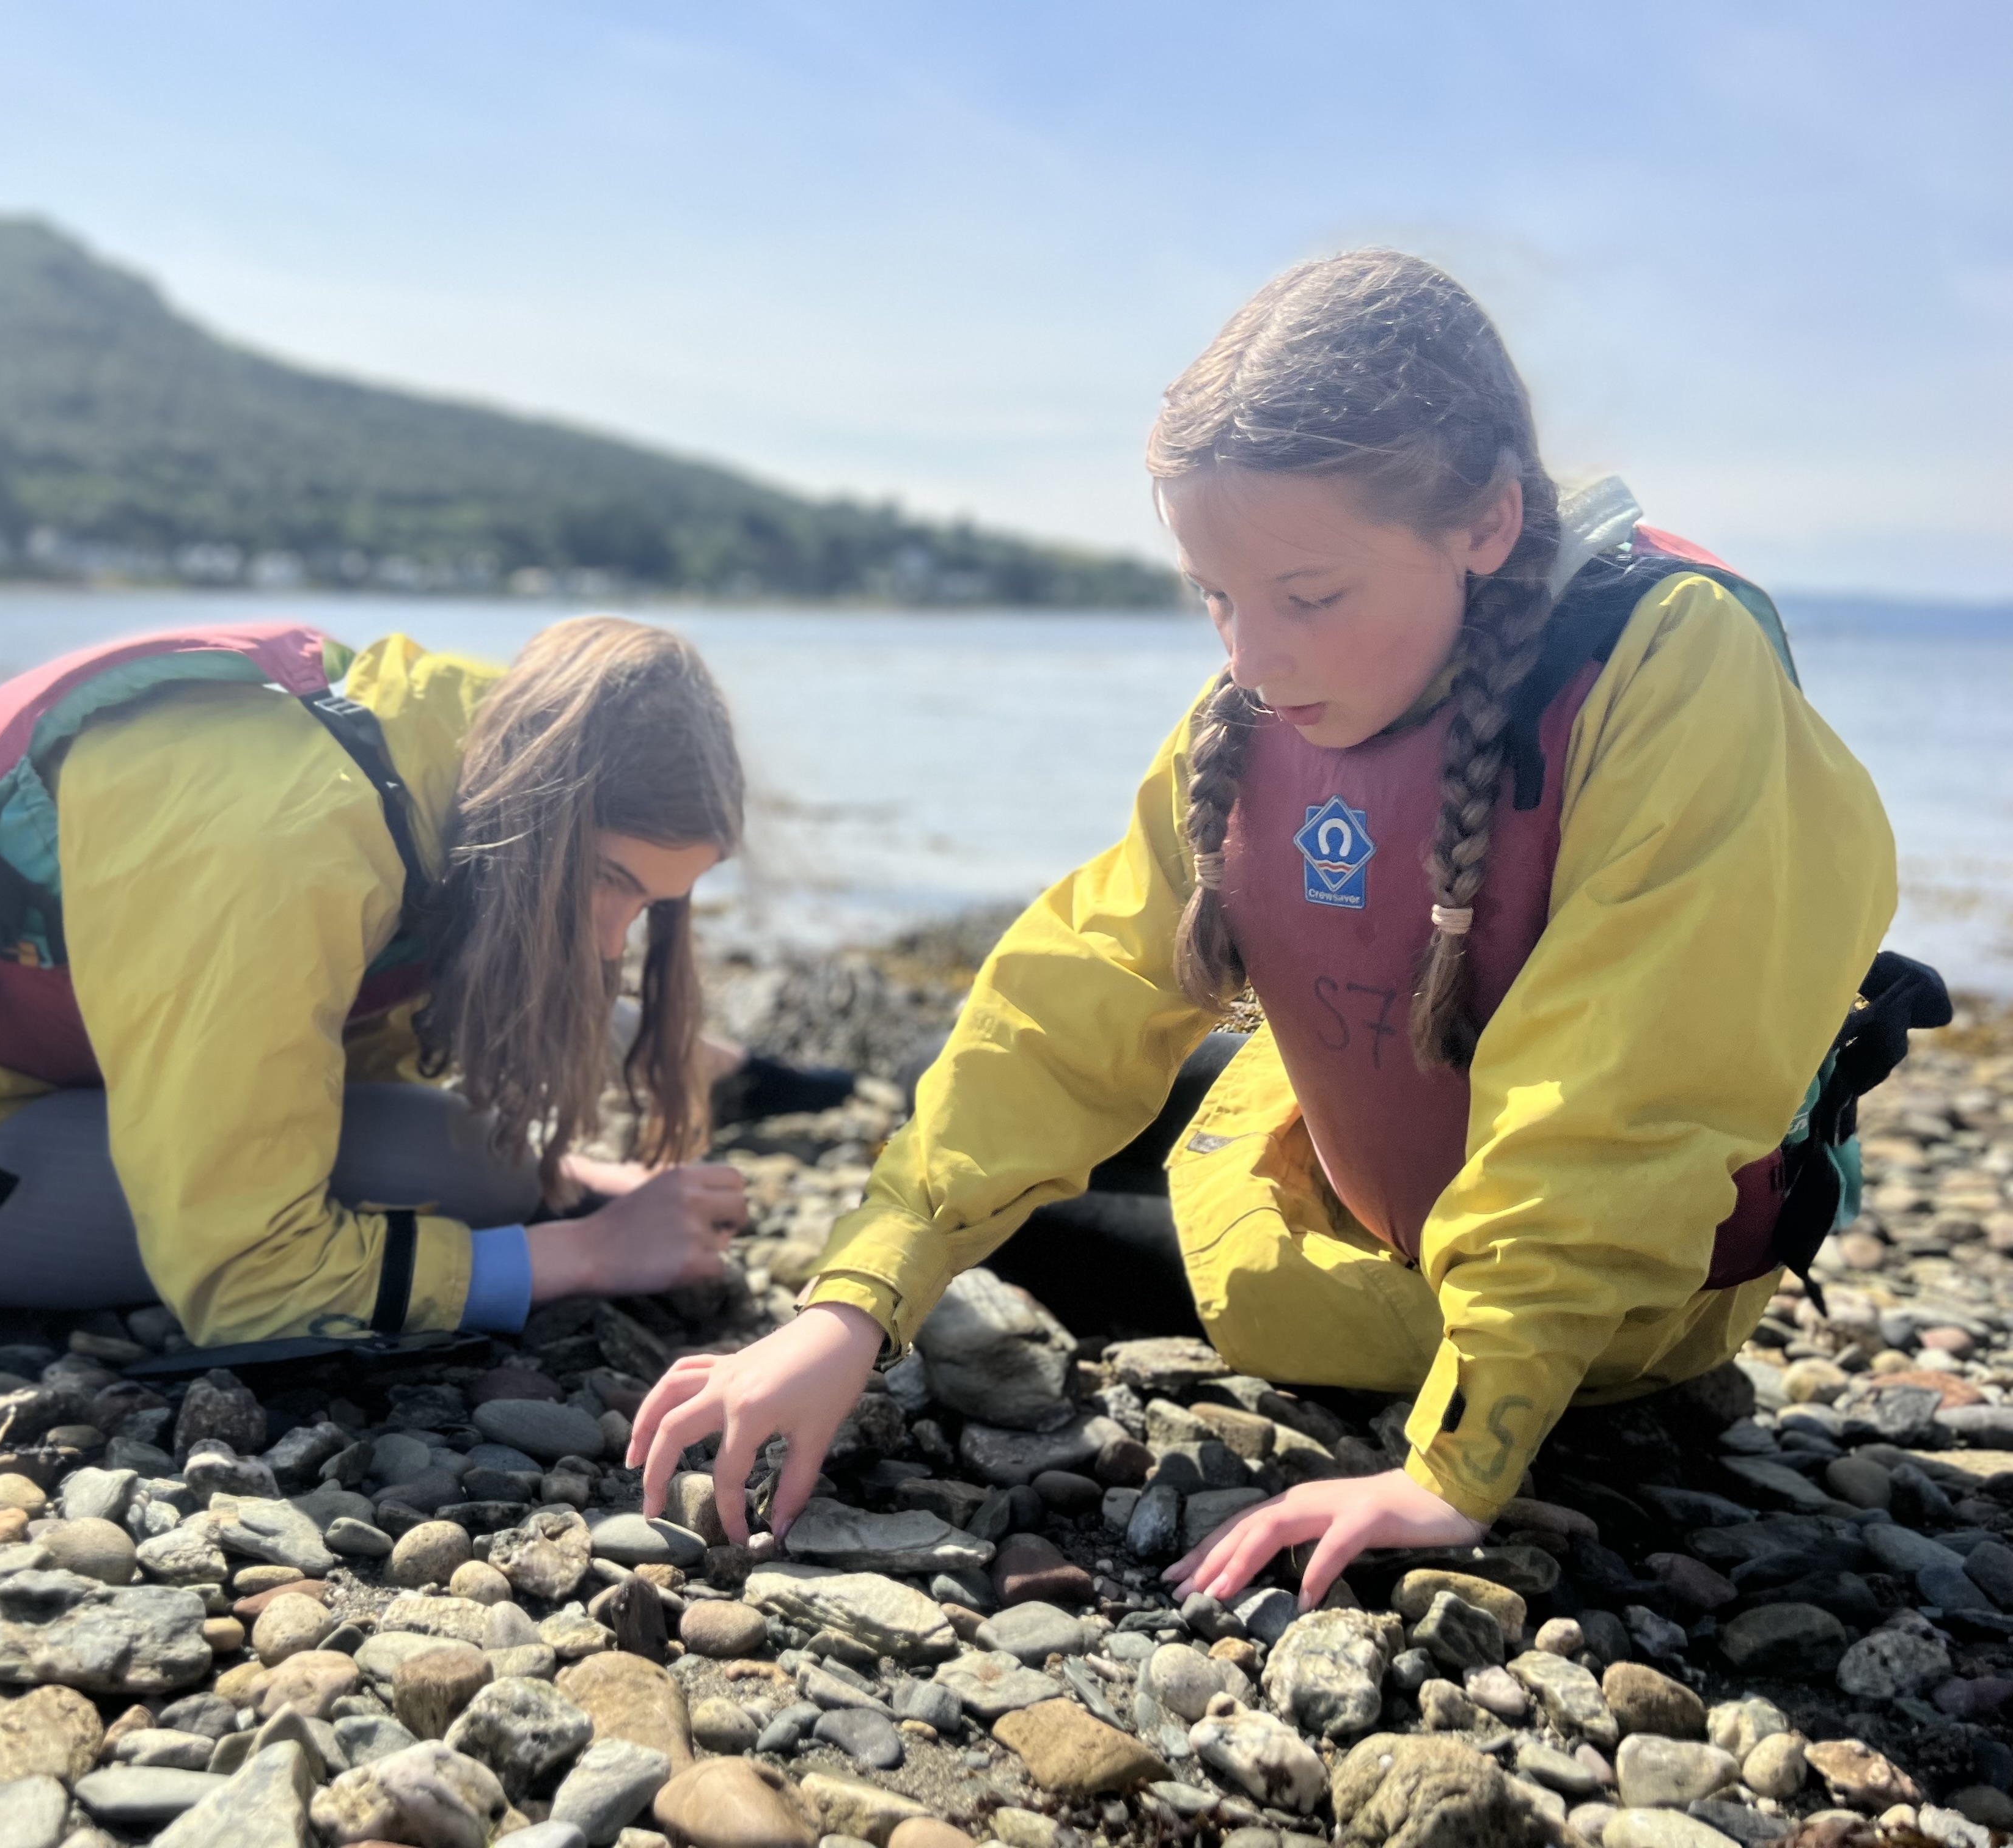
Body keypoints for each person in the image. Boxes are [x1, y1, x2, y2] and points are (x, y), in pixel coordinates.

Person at [628, 251, 1927, 1613]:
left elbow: (1621, 1097)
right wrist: (851, 1305)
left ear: (1487, 521)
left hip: (1592, 1287)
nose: (1251, 661)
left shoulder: (1674, 674)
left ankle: (1508, 1356)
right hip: (1373, 1144)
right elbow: (1070, 1002)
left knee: (1044, 1229)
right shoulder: (1262, 701)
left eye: (1310, 597)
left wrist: (1459, 1462)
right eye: (1216, 595)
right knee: (974, 1131)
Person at [0, 614, 844, 1347]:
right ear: (552, 812)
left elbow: (343, 1023)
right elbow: (248, 1278)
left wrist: (574, 1174)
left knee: (506, 1159)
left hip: (56, 1059)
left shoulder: (461, 737)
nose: (615, 945)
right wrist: (580, 1250)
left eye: (650, 903)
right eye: (610, 884)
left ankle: (668, 1103)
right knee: (480, 1173)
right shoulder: (279, 850)